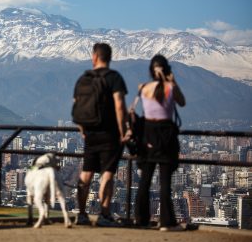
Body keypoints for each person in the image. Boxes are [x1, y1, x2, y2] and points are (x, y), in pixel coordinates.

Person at [74, 42, 130, 227]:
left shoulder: (84, 78)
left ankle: (81, 214)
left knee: (86, 173)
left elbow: (76, 106)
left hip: (89, 133)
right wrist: (123, 131)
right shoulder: (114, 78)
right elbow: (120, 106)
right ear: (109, 57)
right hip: (109, 133)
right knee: (107, 173)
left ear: (94, 57)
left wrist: (83, 130)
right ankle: (104, 215)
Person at [134, 54, 186, 231]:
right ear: (167, 69)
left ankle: (141, 219)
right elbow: (182, 102)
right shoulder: (170, 88)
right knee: (165, 183)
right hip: (166, 138)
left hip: (147, 137)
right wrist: (173, 81)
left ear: (151, 70)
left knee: (144, 181)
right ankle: (166, 222)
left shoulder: (144, 88)